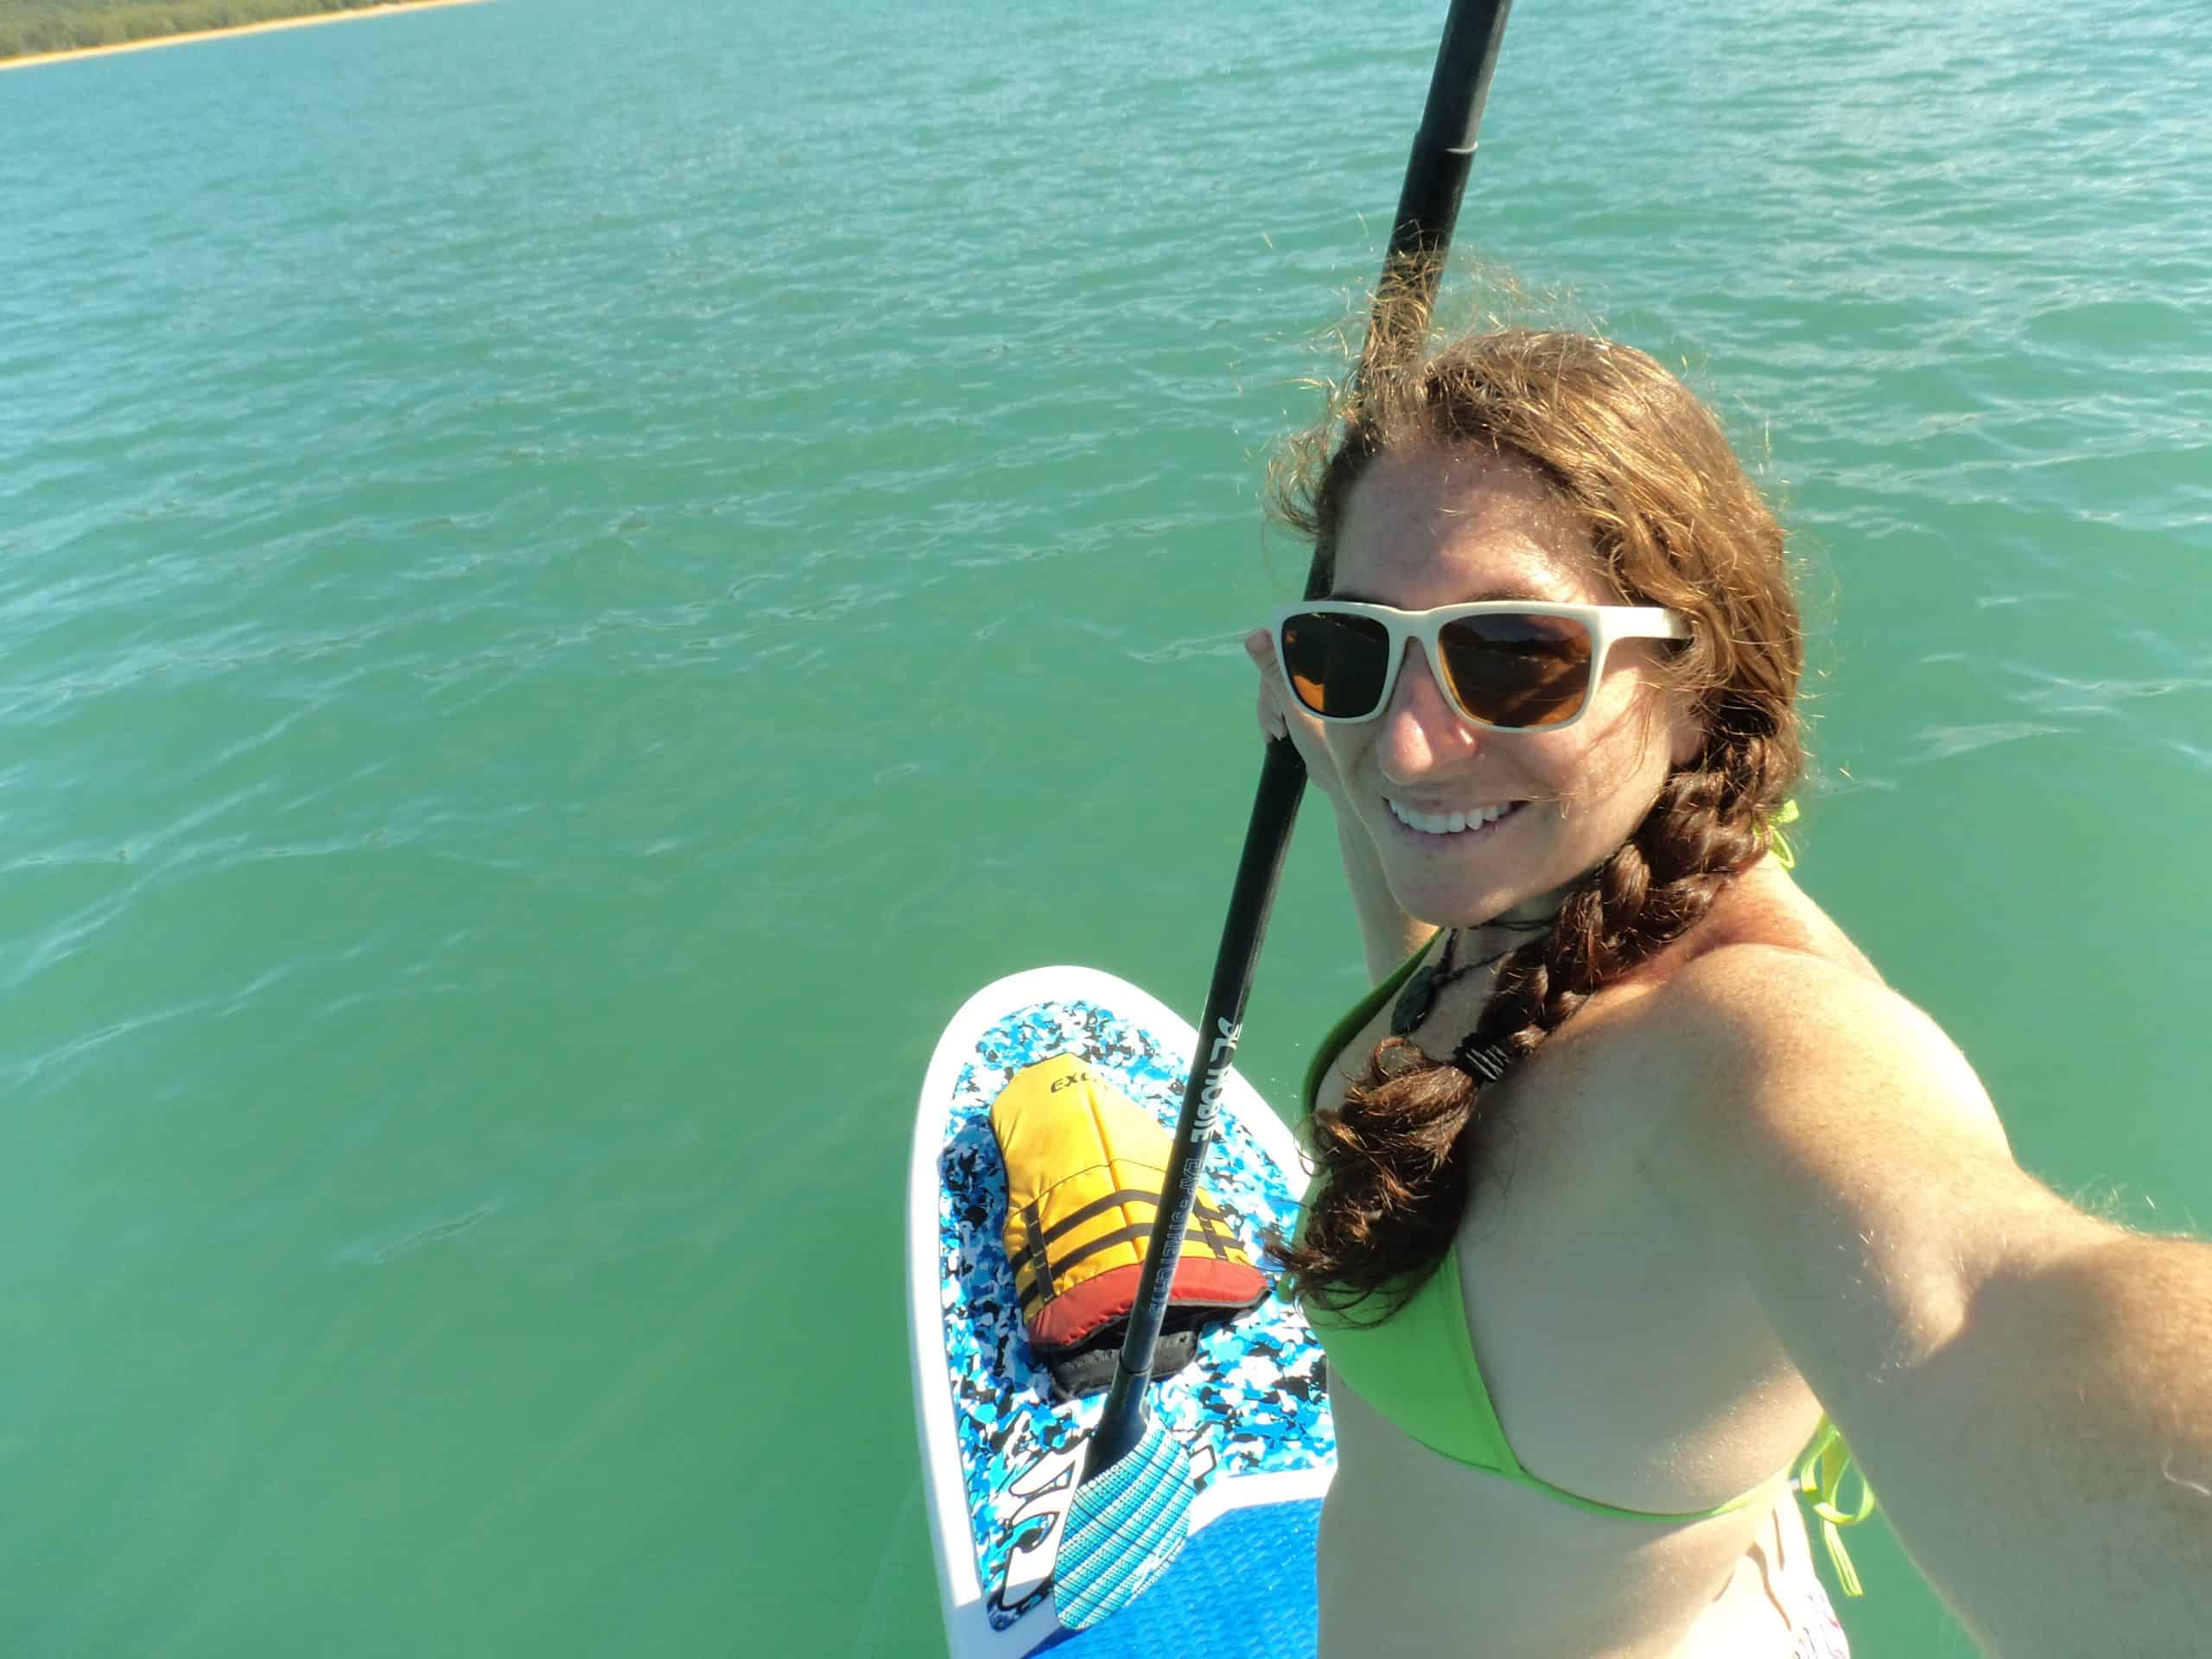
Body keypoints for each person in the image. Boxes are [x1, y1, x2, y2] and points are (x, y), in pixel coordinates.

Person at [1242, 324, 2212, 1658]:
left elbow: (1990, 1305)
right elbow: (1432, 982)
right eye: (1355, 647)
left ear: (1699, 693)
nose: (1410, 736)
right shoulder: (1525, 902)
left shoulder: (1745, 1049)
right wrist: (1341, 752)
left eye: (1510, 655)